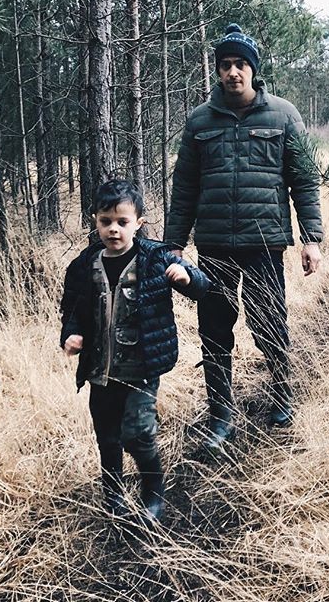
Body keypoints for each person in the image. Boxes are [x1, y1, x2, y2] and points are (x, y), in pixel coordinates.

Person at [167, 23, 323, 453]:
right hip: (214, 244)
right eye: (225, 65)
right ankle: (220, 416)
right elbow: (184, 188)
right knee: (215, 330)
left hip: (264, 242)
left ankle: (282, 394)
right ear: (217, 71)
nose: (233, 72)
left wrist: (311, 238)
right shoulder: (200, 121)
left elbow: (304, 180)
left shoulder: (283, 114)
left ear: (254, 69)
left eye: (240, 65)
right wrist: (174, 244)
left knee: (270, 323)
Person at [59, 178, 211, 523]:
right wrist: (71, 335)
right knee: (107, 436)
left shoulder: (155, 257)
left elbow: (203, 287)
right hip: (100, 369)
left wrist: (186, 278)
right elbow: (71, 310)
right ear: (94, 219)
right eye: (105, 221)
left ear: (138, 223)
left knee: (138, 432)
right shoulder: (85, 265)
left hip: (142, 368)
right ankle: (113, 496)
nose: (114, 229)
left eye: (122, 222)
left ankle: (152, 495)